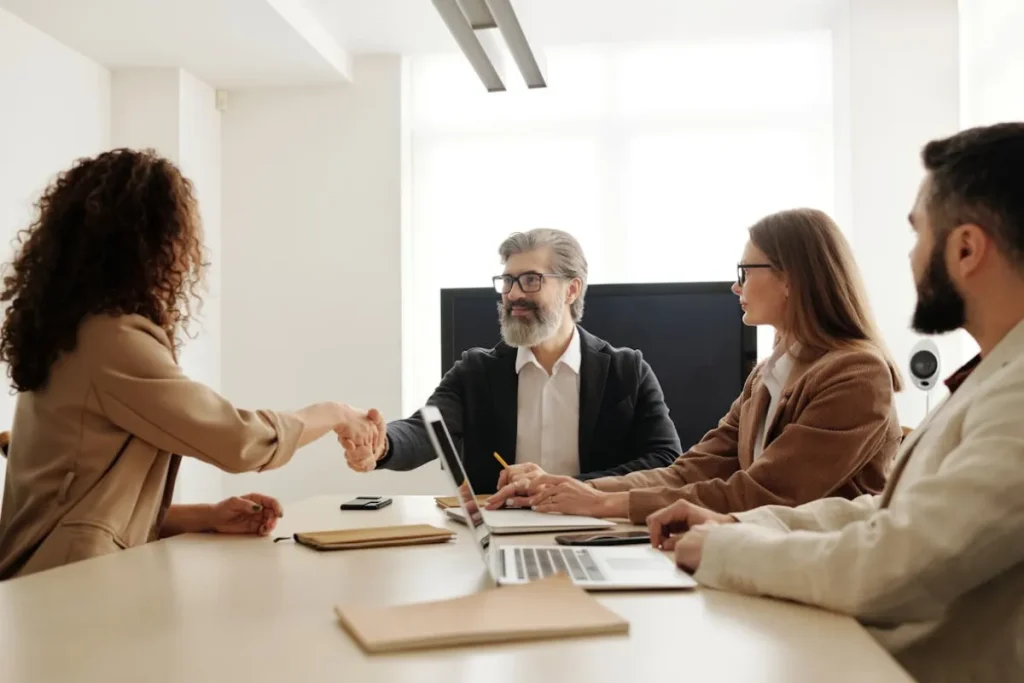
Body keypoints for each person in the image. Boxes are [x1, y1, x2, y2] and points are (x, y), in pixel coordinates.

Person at [648, 123, 1024, 683]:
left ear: (966, 248)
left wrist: (727, 550)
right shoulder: (992, 377)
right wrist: (739, 523)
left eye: (918, 234)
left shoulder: (1014, 394)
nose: (912, 257)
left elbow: (893, 562)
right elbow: (886, 512)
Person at [0, 148, 381, 580]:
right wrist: (334, 413)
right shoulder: (110, 340)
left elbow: (80, 503)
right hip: (65, 588)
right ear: (150, 242)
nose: (186, 255)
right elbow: (237, 440)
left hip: (48, 582)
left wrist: (204, 516)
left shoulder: (68, 333)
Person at [488, 209, 903, 524]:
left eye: (746, 271)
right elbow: (690, 470)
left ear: (791, 278)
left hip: (820, 580)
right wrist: (576, 489)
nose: (736, 286)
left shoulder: (856, 375)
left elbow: (767, 492)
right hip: (762, 558)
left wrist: (606, 503)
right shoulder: (767, 375)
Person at [340, 228, 681, 492]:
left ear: (572, 289)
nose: (513, 294)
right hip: (502, 530)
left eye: (531, 280)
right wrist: (381, 445)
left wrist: (571, 487)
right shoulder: (475, 371)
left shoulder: (627, 371)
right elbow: (424, 431)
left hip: (597, 528)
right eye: (507, 280)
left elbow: (666, 461)